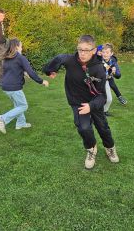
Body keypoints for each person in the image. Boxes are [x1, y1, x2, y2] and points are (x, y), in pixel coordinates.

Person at [43, 35, 119, 170]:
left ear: (94, 50)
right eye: (80, 49)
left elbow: (102, 96)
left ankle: (110, 148)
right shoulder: (71, 60)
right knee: (83, 128)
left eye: (86, 50)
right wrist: (50, 70)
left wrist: (91, 106)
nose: (82, 53)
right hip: (77, 102)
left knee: (102, 127)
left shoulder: (99, 68)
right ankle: (91, 149)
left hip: (94, 102)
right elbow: (59, 58)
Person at [0, 38, 49, 134]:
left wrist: (23, 72)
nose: (22, 49)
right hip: (14, 87)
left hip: (5, 86)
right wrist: (41, 81)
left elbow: (13, 69)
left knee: (18, 105)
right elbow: (31, 72)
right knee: (23, 106)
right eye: (21, 46)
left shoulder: (7, 57)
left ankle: (21, 123)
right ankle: (2, 119)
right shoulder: (20, 58)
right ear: (17, 47)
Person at [101, 43, 127, 116]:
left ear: (111, 53)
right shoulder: (98, 60)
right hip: (97, 81)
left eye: (107, 52)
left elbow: (118, 76)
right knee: (97, 99)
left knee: (109, 99)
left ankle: (104, 112)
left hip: (106, 80)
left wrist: (114, 72)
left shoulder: (113, 61)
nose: (105, 54)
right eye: (103, 52)